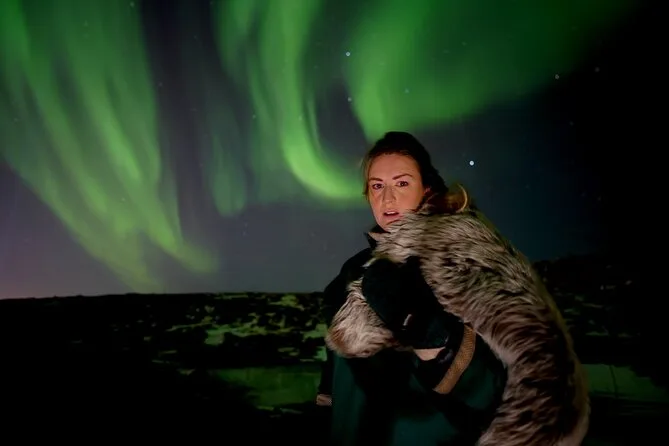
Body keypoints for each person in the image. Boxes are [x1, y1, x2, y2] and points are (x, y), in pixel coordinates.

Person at [315, 131, 508, 445]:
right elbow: (334, 377)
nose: (388, 198)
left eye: (402, 183)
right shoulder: (353, 271)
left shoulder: (463, 260)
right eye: (377, 186)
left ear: (426, 189)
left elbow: (491, 390)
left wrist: (423, 327)